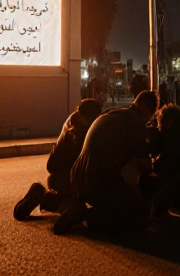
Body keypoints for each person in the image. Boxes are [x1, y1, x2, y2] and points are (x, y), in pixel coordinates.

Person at [53, 91, 159, 235]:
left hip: (77, 178)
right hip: (99, 183)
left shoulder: (111, 114)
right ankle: (86, 217)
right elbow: (144, 167)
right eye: (151, 115)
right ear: (145, 110)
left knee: (116, 192)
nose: (149, 120)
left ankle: (59, 204)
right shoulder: (135, 123)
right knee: (136, 206)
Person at [14, 98, 103, 221]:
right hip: (63, 177)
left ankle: (43, 196)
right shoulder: (80, 130)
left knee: (79, 198)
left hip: (59, 174)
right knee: (78, 205)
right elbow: (83, 162)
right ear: (91, 115)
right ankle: (46, 198)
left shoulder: (75, 119)